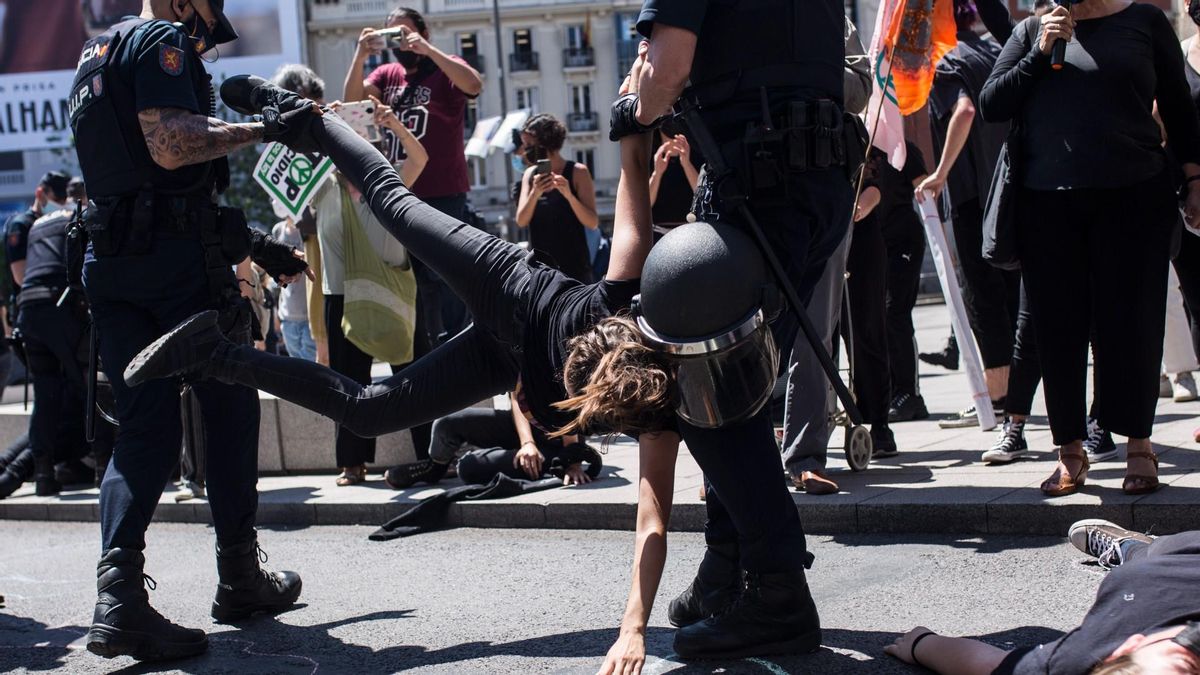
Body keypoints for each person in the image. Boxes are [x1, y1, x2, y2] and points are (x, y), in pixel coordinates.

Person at [122, 66, 666, 524]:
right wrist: (632, 118)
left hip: (506, 352)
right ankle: (303, 115)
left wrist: (634, 622)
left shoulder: (637, 407)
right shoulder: (614, 300)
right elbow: (632, 197)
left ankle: (210, 353)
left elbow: (651, 512)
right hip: (509, 282)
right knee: (391, 203)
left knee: (368, 413)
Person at [600, 0, 858, 665]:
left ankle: (775, 590)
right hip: (817, 175)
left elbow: (666, 70)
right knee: (742, 381)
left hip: (759, 175)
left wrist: (633, 110)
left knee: (708, 387)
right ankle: (728, 568)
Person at [68, 0, 308, 660]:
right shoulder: (161, 40)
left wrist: (253, 241)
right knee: (229, 407)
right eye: (204, 20)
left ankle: (118, 599)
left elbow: (142, 182)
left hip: (114, 262)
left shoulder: (98, 53)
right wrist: (262, 128)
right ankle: (239, 575)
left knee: (142, 427)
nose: (202, 41)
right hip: (173, 272)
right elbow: (169, 144)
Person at [979, 0, 1200, 496]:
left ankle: (1139, 445)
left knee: (1134, 322)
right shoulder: (1035, 30)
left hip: (1134, 197)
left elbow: (1180, 108)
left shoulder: (1143, 22)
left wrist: (1193, 176)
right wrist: (1039, 52)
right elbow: (993, 102)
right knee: (1058, 329)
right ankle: (1071, 453)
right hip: (1048, 206)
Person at [885, 519, 1200, 674]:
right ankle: (1131, 549)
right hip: (1177, 558)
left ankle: (1128, 548)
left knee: (1149, 556)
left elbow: (986, 663)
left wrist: (921, 644)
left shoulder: (1076, 658)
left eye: (1187, 662)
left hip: (1156, 567)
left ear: (1125, 649)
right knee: (1154, 556)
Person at [308, 92, 428, 488]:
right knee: (347, 384)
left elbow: (420, 159)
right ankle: (352, 464)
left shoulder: (385, 178)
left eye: (364, 140)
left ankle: (431, 454)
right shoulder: (320, 185)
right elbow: (282, 200)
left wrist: (393, 125)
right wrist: (322, 124)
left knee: (414, 376)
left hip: (391, 286)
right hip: (340, 293)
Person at [344, 5, 483, 345]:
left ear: (423, 33)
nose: (402, 43)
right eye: (394, 36)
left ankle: (460, 349)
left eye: (406, 34)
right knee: (412, 280)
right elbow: (350, 106)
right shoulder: (387, 74)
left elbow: (474, 85)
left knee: (447, 275)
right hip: (400, 190)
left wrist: (428, 49)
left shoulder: (443, 66)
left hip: (443, 192)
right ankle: (427, 353)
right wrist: (360, 55)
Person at [782, 16, 873, 496]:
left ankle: (804, 455)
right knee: (737, 334)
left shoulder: (829, 17)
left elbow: (860, 90)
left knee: (814, 329)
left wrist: (805, 65)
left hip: (822, 182)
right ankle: (732, 461)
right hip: (747, 186)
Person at [916, 0, 1016, 429]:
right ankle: (1014, 400)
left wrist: (939, 173)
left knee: (984, 302)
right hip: (1009, 191)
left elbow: (965, 111)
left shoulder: (945, 62)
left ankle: (996, 403)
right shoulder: (994, 52)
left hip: (973, 197)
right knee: (1012, 299)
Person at [15, 178, 110, 497]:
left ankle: (43, 473)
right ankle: (102, 467)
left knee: (45, 395)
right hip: (62, 308)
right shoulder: (78, 217)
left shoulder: (39, 223)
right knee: (90, 386)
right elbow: (86, 267)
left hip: (29, 311)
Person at [847, 144, 927, 453]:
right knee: (853, 329)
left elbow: (920, 186)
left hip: (899, 242)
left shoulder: (898, 146)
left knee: (891, 316)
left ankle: (907, 394)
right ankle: (862, 406)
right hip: (864, 240)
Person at [429, 392, 600, 487]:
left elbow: (568, 404)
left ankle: (552, 462)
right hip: (523, 423)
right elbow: (517, 395)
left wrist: (572, 462)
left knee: (468, 467)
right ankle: (436, 468)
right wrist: (527, 442)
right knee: (445, 424)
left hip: (561, 436)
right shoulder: (513, 341)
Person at [516, 113, 600, 283]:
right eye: (525, 145)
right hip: (540, 269)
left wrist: (569, 195)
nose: (525, 150)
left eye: (530, 144)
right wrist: (535, 193)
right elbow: (521, 221)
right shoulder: (530, 175)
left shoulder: (578, 172)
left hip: (574, 268)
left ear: (546, 142)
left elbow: (592, 222)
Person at [6, 172, 72, 292]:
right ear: (40, 194)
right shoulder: (21, 225)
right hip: (31, 301)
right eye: (57, 200)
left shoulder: (61, 223)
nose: (61, 205)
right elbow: (21, 276)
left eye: (64, 201)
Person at [648, 122, 700, 226]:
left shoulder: (697, 151)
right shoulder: (650, 155)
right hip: (659, 230)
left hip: (691, 227)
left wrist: (686, 164)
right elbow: (645, 204)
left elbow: (702, 195)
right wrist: (657, 173)